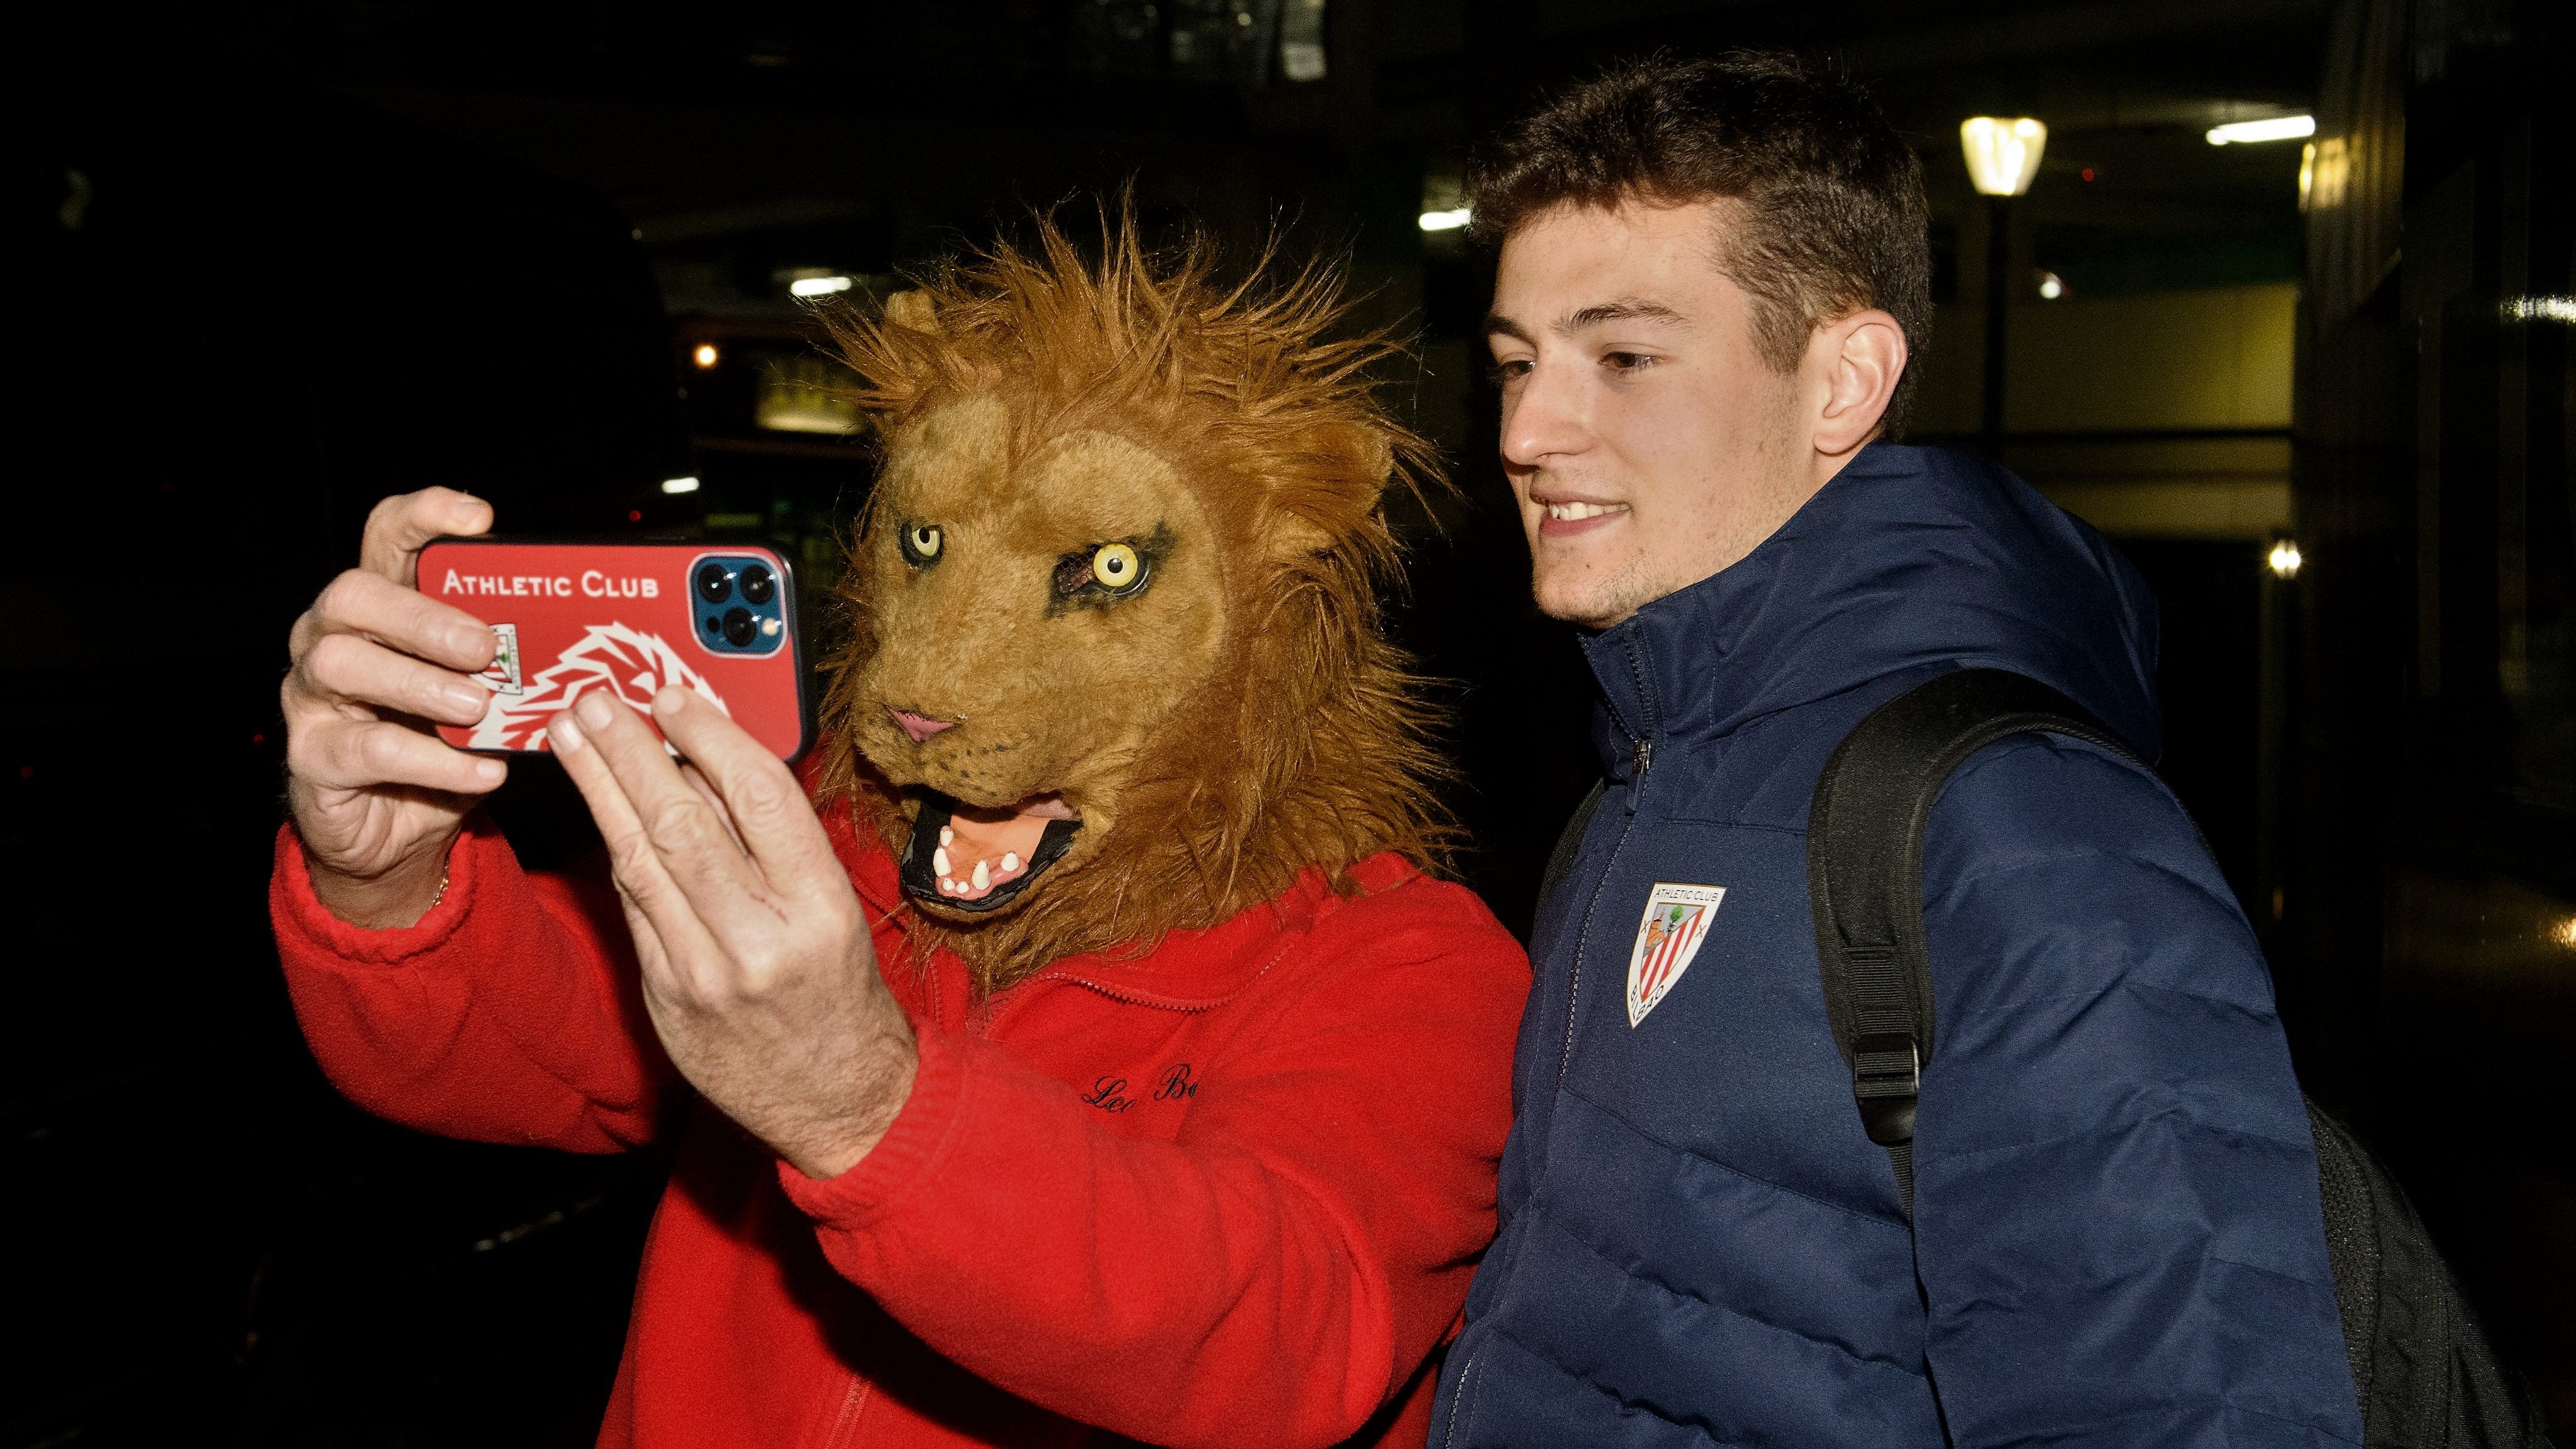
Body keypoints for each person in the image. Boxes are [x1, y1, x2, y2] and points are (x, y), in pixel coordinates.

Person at [268, 221, 1526, 1449]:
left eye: (1099, 571)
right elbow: (546, 1045)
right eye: (922, 544)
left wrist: (867, 1107)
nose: (923, 689)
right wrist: (388, 883)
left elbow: (1290, 1332)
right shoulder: (835, 833)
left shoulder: (1402, 961)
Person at [1429, 52, 2363, 1447]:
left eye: (1620, 357)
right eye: (1515, 363)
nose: (1526, 430)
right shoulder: (1644, 782)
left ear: (1841, 381)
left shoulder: (2024, 829)